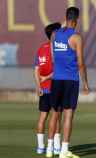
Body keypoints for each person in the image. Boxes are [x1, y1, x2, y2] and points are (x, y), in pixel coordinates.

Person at [46, 7, 89, 158]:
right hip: (70, 80)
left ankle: (49, 149)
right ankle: (64, 151)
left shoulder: (55, 35)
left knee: (54, 114)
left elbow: (52, 57)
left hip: (56, 79)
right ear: (76, 20)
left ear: (66, 17)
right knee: (68, 115)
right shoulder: (77, 37)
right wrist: (85, 83)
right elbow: (81, 63)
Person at [34, 22, 62, 155]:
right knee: (56, 117)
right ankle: (56, 147)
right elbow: (58, 70)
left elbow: (36, 70)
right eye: (59, 31)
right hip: (55, 88)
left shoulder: (40, 49)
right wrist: (45, 79)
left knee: (42, 118)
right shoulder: (57, 49)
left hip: (43, 89)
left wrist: (38, 85)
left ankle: (40, 147)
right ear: (54, 34)